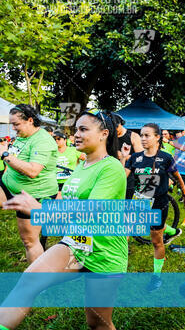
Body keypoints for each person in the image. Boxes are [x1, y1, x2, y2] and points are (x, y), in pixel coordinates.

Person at [0, 110, 127, 330]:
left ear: (104, 134)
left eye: (83, 129)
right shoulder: (82, 165)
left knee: (98, 323)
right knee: (28, 282)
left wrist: (39, 210)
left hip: (105, 252)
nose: (76, 134)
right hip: (77, 243)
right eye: (76, 129)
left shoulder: (111, 168)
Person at [124, 123, 185, 291]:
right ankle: (119, 271)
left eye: (147, 135)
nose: (143, 139)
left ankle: (157, 276)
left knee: (156, 241)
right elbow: (121, 178)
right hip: (138, 203)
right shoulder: (135, 157)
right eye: (141, 135)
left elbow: (177, 176)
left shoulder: (166, 158)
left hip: (158, 204)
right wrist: (124, 158)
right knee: (124, 236)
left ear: (157, 137)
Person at [0, 104, 58, 263]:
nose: (13, 128)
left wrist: (4, 155)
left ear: (30, 120)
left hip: (34, 194)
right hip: (9, 184)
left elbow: (33, 171)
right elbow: (15, 158)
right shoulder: (22, 135)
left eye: (16, 124)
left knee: (29, 241)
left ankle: (38, 283)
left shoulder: (43, 141)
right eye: (11, 124)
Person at [115, 113, 143, 199]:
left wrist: (124, 156)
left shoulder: (133, 136)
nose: (115, 130)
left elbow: (141, 157)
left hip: (129, 174)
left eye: (116, 127)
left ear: (121, 124)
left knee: (127, 200)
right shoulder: (110, 136)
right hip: (113, 172)